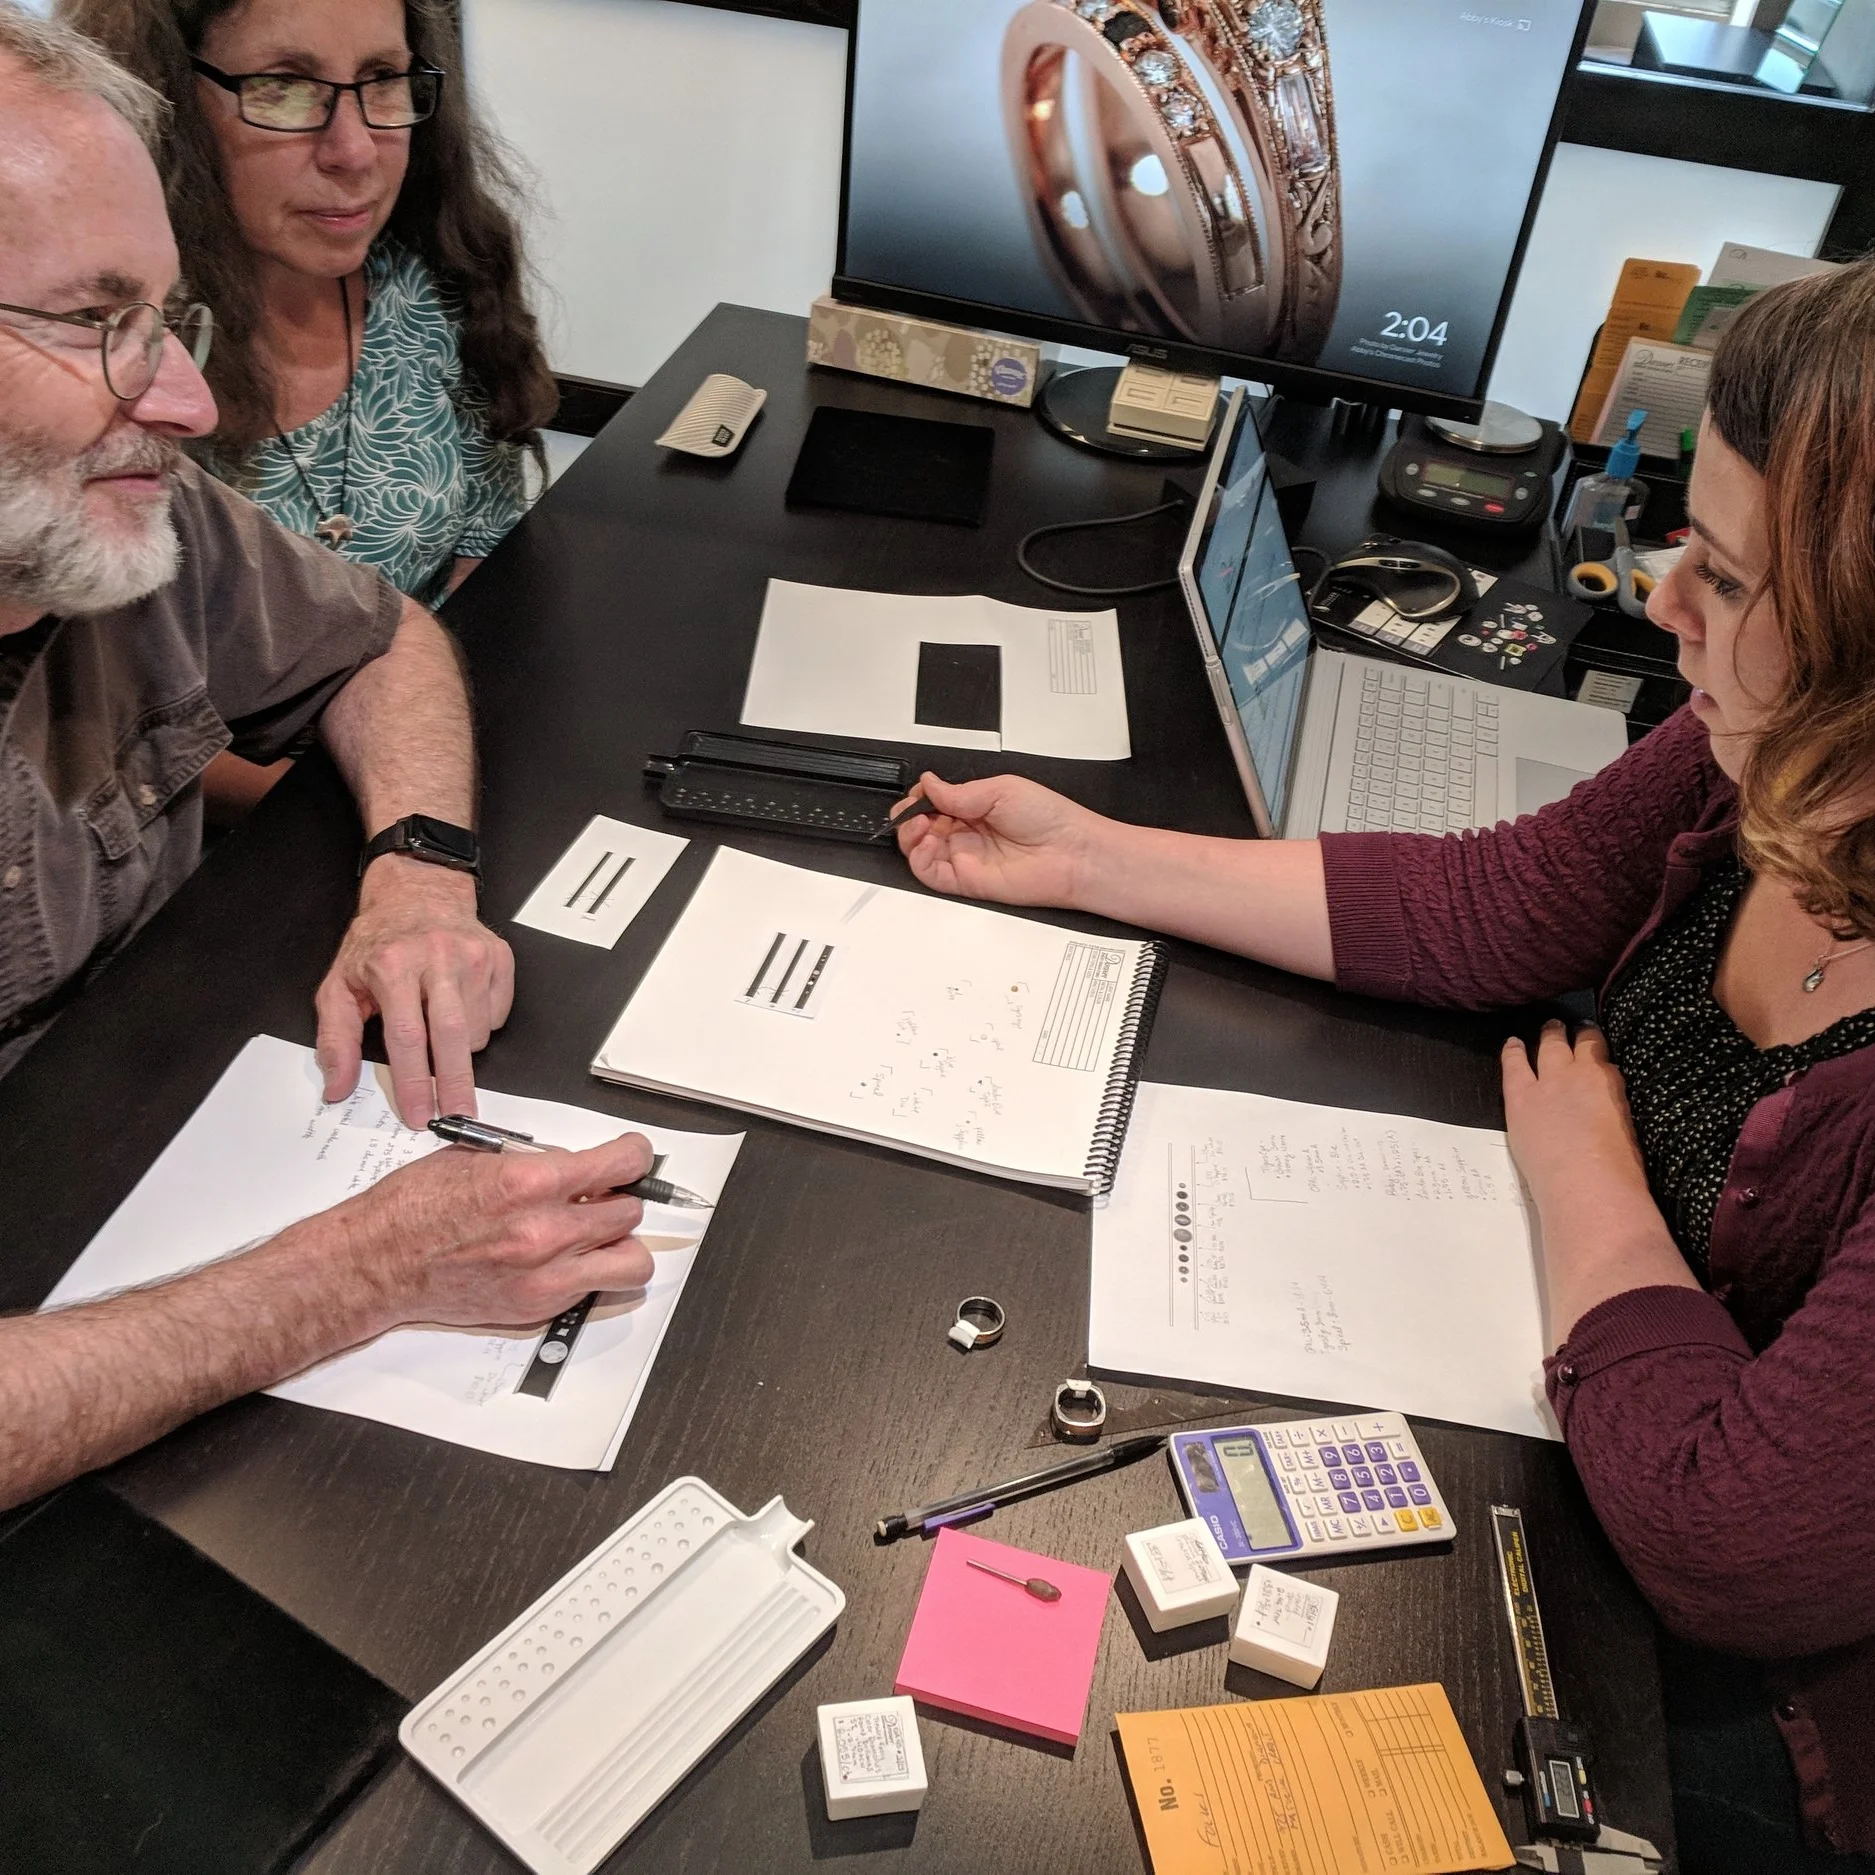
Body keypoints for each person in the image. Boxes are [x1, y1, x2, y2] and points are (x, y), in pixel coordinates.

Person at [895, 266, 1875, 1870]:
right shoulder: (1752, 743)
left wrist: (1587, 1188)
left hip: (1757, 1703)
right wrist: (1092, 860)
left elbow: (1737, 1542)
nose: (1660, 598)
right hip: (1579, 1409)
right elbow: (1496, 905)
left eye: (1727, 573)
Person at [0, 8, 651, 1516]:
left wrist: (417, 872)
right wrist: (348, 1276)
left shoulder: (122, 523)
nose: (187, 402)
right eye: (97, 320)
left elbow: (382, 639)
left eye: (170, 319)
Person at [60, 0, 557, 814]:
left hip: (427, 768)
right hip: (198, 839)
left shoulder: (436, 277)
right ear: (164, 105)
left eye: (381, 81)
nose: (355, 151)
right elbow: (102, 724)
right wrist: (389, 802)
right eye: (285, 88)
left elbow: (483, 559)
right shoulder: (104, 363)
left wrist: (429, 776)